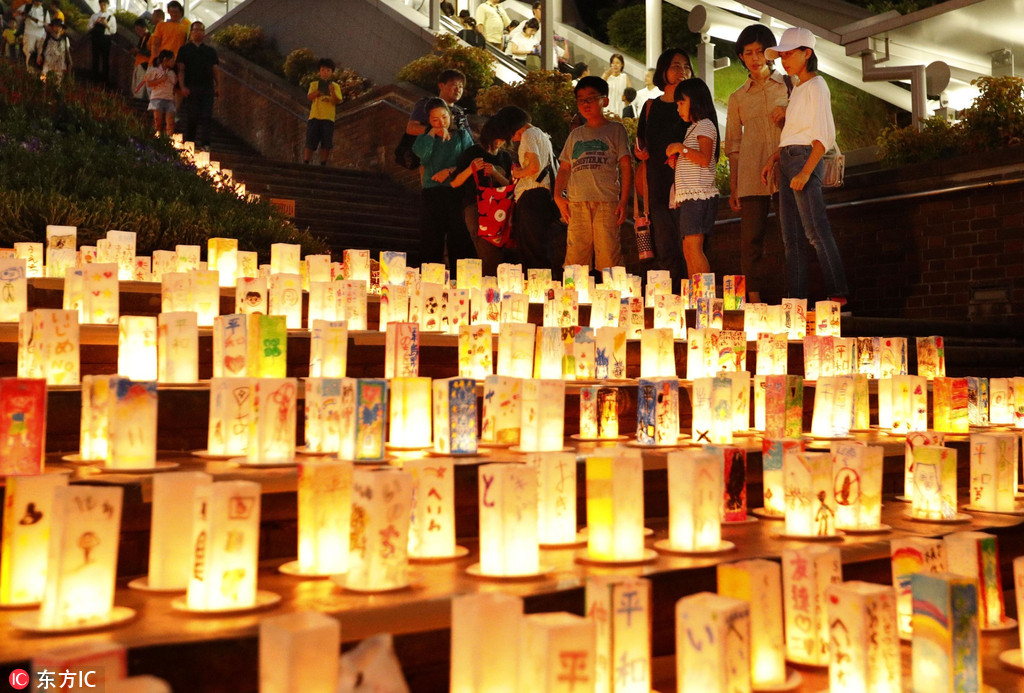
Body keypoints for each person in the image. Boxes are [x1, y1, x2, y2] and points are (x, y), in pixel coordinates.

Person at [761, 27, 849, 305]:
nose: (784, 60)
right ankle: (795, 301)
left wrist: (806, 171)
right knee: (793, 238)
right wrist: (775, 158)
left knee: (815, 231)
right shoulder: (799, 87)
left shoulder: (816, 86)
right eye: (782, 55)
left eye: (789, 54)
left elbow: (822, 136)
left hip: (803, 159)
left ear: (806, 53)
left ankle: (838, 294)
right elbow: (798, 132)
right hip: (790, 158)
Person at [726, 24, 789, 304]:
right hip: (752, 175)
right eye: (748, 52)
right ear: (741, 56)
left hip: (786, 170)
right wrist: (734, 186)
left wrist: (787, 114)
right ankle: (753, 300)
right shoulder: (738, 97)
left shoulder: (791, 85)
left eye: (760, 51)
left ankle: (795, 296)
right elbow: (733, 147)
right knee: (750, 242)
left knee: (792, 236)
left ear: (770, 53)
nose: (755, 58)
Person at [554, 76, 631, 273]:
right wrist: (557, 196)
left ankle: (613, 298)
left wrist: (623, 201)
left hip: (606, 202)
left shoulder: (615, 130)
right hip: (577, 203)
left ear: (604, 101)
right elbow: (564, 168)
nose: (585, 104)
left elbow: (625, 166)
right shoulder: (575, 135)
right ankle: (572, 302)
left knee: (609, 257)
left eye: (591, 98)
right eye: (581, 100)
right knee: (575, 259)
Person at [636, 48, 693, 284]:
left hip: (688, 186)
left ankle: (692, 298)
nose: (682, 71)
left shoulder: (693, 106)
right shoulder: (651, 107)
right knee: (665, 246)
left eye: (686, 66)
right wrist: (640, 151)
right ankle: (669, 304)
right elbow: (641, 145)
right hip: (658, 185)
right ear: (663, 71)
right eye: (675, 66)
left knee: (689, 247)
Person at [411, 98, 476, 277]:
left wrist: (449, 170)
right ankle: (430, 279)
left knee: (459, 235)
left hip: (456, 190)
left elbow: (469, 161)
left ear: (450, 115)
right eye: (435, 120)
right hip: (432, 191)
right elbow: (422, 155)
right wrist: (432, 133)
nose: (441, 122)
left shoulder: (462, 135)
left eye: (444, 117)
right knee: (431, 236)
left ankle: (461, 279)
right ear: (429, 121)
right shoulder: (424, 138)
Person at [497, 105, 563, 276]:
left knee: (531, 248)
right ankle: (541, 287)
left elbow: (534, 166)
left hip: (531, 196)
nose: (513, 138)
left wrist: (518, 172)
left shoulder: (528, 134)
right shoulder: (541, 134)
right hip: (542, 196)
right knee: (539, 245)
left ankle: (536, 290)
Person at [666, 78, 719, 277]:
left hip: (699, 196)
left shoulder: (705, 125)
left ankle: (704, 295)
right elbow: (696, 158)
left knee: (693, 248)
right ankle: (696, 294)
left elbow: (705, 159)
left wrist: (681, 148)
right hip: (691, 197)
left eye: (681, 103)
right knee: (689, 248)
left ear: (695, 101)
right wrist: (679, 160)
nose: (678, 109)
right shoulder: (694, 128)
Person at [450, 116, 514, 276]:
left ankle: (491, 287)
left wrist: (494, 173)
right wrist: (471, 169)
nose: (500, 142)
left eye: (503, 138)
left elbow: (511, 185)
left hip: (501, 210)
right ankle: (490, 288)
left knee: (499, 252)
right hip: (477, 206)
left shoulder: (505, 157)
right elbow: (455, 182)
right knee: (488, 250)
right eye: (497, 138)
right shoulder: (473, 152)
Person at [177, 21, 219, 151]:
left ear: (204, 32)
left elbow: (215, 69)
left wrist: (218, 85)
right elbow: (181, 69)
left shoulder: (210, 51)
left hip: (207, 87)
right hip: (192, 86)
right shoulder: (185, 50)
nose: (198, 32)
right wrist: (182, 86)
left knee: (206, 115)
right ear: (191, 32)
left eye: (200, 30)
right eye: (195, 30)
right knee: (192, 115)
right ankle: (190, 141)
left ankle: (205, 143)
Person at [304, 58, 343, 166]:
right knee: (311, 139)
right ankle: (306, 161)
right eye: (323, 70)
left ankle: (323, 162)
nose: (325, 72)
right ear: (319, 71)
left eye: (328, 70)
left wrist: (332, 92)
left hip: (328, 117)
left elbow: (337, 100)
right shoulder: (314, 84)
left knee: (326, 142)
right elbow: (309, 97)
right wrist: (317, 93)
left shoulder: (335, 86)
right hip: (315, 116)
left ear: (332, 72)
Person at [146, 49, 176, 135]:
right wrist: (160, 80)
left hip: (169, 98)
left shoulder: (172, 73)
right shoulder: (154, 71)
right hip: (157, 97)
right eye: (172, 59)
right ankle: (157, 138)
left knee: (170, 121)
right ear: (165, 59)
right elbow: (149, 83)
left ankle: (169, 139)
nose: (174, 62)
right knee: (158, 121)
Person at [87, 0, 116, 85]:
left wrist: (106, 25)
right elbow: (88, 27)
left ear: (108, 5)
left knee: (105, 59)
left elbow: (114, 31)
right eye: (101, 4)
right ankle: (94, 79)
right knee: (95, 58)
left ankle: (104, 80)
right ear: (99, 4)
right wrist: (95, 23)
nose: (103, 6)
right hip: (95, 38)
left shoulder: (111, 17)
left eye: (105, 4)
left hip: (105, 38)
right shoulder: (94, 16)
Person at [36, 16, 70, 81]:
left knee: (58, 76)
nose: (57, 28)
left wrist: (69, 61)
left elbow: (67, 51)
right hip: (48, 59)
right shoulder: (46, 36)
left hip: (60, 60)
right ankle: (43, 86)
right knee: (44, 73)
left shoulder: (65, 39)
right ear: (52, 27)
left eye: (59, 26)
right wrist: (39, 55)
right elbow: (41, 45)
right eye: (55, 26)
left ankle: (57, 88)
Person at [19, 0, 46, 69]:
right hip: (29, 33)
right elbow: (18, 14)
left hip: (40, 34)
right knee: (28, 51)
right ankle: (27, 68)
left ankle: (37, 68)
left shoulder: (44, 10)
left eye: (41, 1)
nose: (39, 2)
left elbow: (46, 23)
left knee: (39, 53)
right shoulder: (27, 7)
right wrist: (25, 17)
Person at [131, 17, 153, 101]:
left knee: (140, 84)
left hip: (144, 64)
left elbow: (151, 52)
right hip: (139, 63)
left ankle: (138, 99)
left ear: (144, 27)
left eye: (138, 29)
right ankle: (137, 97)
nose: (137, 31)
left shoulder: (150, 37)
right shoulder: (143, 38)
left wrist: (138, 51)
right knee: (136, 84)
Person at [601, 53, 629, 117]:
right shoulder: (606, 76)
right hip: (608, 110)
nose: (615, 65)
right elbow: (598, 88)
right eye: (613, 63)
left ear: (622, 64)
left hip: (621, 109)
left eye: (617, 63)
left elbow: (630, 93)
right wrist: (606, 76)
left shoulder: (624, 77)